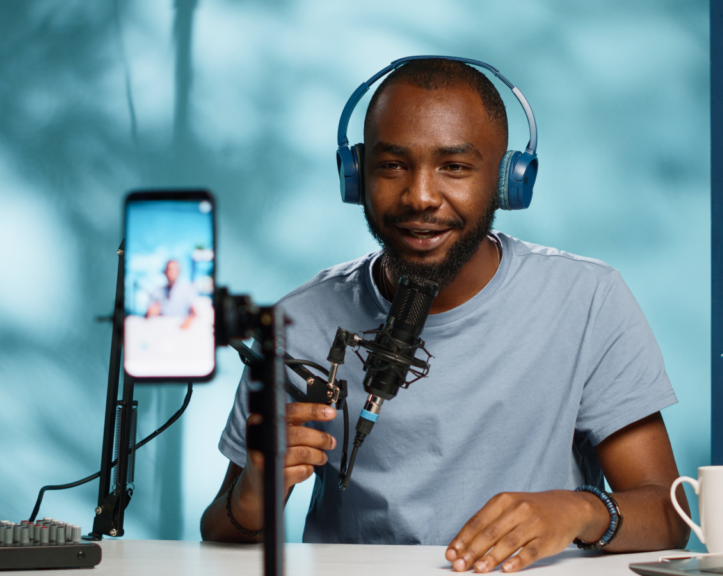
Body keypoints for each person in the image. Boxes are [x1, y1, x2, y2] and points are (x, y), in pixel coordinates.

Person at [201, 58, 690, 573]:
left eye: (454, 167)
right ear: (356, 175)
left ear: (508, 181)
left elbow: (668, 514)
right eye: (392, 165)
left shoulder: (587, 299)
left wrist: (579, 511)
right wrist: (255, 490)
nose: (421, 197)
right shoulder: (298, 319)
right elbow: (222, 529)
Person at [145, 259, 198, 329]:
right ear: (164, 272)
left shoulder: (187, 289)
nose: (171, 273)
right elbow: (147, 315)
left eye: (174, 270)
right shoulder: (157, 291)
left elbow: (195, 312)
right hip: (161, 328)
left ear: (179, 272)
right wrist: (152, 312)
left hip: (180, 329)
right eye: (169, 270)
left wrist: (189, 320)